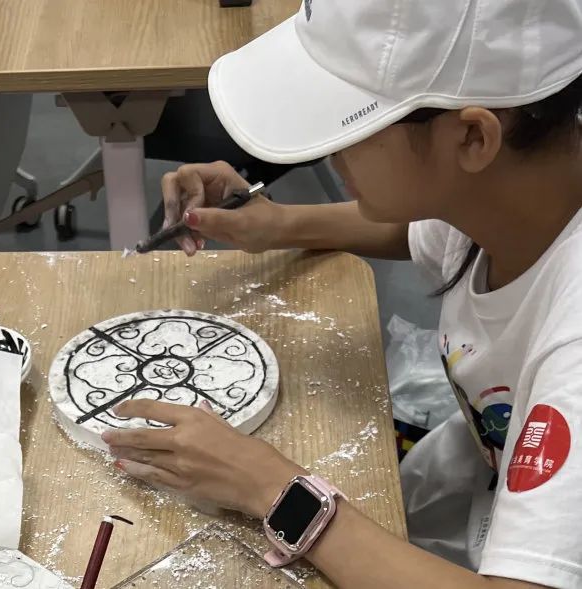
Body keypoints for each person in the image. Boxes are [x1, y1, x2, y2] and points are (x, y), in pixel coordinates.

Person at [102, 1, 582, 587]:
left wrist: (271, 488)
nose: (328, 154)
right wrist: (277, 224)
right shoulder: (520, 193)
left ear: (473, 137)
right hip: (483, 485)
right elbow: (421, 229)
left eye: (353, 128)